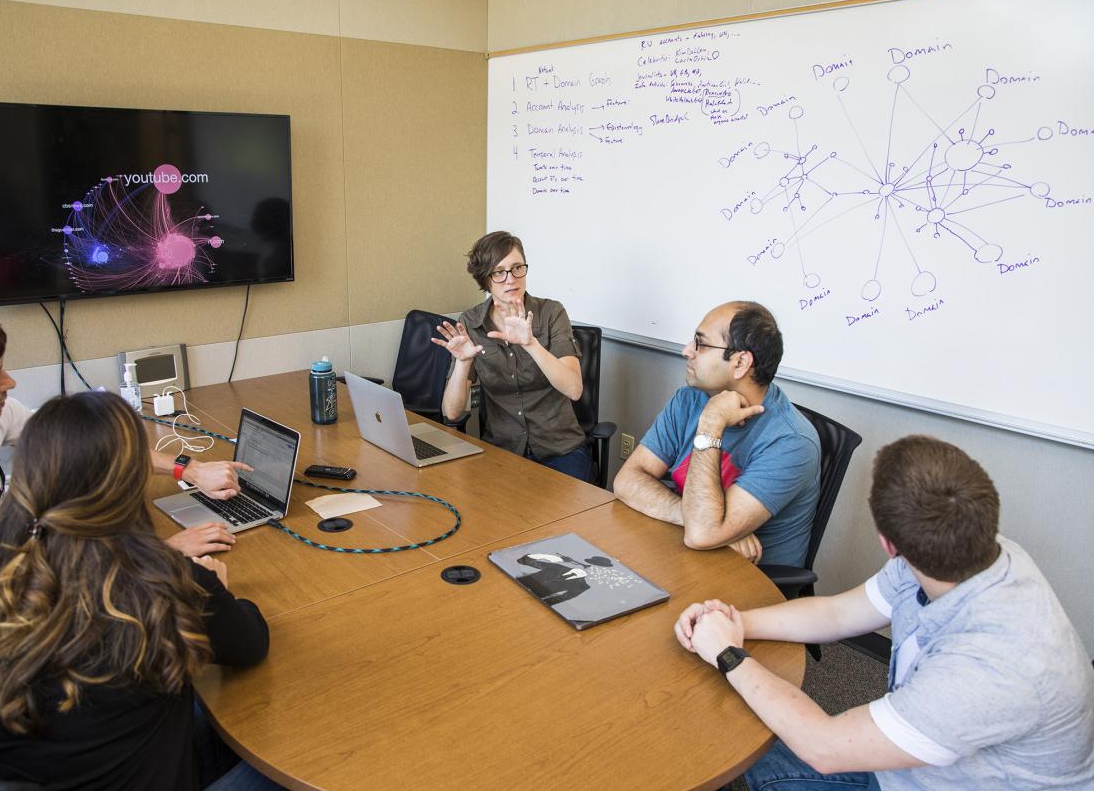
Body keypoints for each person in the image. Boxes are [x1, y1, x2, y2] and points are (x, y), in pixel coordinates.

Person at [675, 435, 1094, 790]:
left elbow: (825, 747)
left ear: (887, 544)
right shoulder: (966, 548)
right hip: (926, 759)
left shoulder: (993, 667)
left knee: (755, 758)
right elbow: (838, 615)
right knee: (758, 739)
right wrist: (737, 623)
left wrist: (730, 655)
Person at [0, 391, 277, 789]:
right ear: (127, 483)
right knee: (300, 755)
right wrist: (216, 591)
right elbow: (250, 646)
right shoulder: (161, 583)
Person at [0, 297, 249, 599]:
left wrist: (188, 470)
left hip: (30, 561)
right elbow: (0, 585)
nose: (9, 383)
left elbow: (91, 444)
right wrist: (156, 556)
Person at [614, 301, 819, 566]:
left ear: (740, 362)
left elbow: (701, 535)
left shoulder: (792, 443)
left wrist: (711, 423)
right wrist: (687, 514)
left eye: (701, 343)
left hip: (749, 584)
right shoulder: (689, 400)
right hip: (683, 554)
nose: (686, 350)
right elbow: (626, 481)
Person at [432, 231, 591, 481]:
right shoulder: (471, 323)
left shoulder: (551, 313)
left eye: (518, 268)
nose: (511, 279)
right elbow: (451, 413)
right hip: (502, 451)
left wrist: (531, 344)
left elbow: (574, 389)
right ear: (486, 279)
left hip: (559, 450)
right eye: (499, 272)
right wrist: (463, 363)